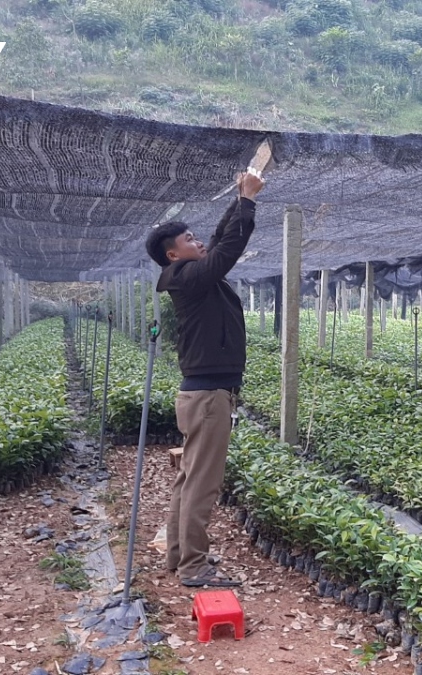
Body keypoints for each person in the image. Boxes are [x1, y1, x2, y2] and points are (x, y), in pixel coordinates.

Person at [145, 171, 264, 588]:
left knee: (189, 478)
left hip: (205, 394)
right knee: (203, 484)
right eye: (189, 240)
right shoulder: (190, 278)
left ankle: (179, 558)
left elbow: (216, 243)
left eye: (195, 236)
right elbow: (226, 250)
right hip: (210, 397)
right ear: (173, 256)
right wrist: (247, 204)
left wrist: (238, 200)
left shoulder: (188, 275)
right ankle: (194, 566)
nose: (198, 242)